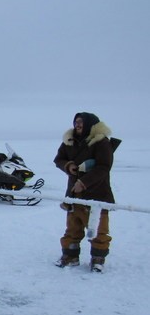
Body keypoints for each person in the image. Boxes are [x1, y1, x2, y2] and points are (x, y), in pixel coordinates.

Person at [53, 112, 115, 272]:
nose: (77, 125)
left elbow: (103, 166)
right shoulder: (69, 141)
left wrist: (84, 182)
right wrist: (68, 165)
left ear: (90, 125)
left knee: (99, 230)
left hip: (97, 194)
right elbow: (58, 159)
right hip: (74, 194)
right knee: (72, 228)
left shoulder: (101, 142)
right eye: (76, 122)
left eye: (81, 122)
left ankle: (97, 259)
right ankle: (70, 256)